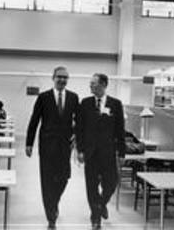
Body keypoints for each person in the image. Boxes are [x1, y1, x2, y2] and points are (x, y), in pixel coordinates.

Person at [25, 66, 79, 229]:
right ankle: (51, 217)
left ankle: (54, 201)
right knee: (47, 181)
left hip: (65, 145)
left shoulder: (73, 97)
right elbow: (34, 120)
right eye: (59, 77)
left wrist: (77, 134)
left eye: (65, 77)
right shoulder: (43, 97)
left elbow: (79, 120)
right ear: (53, 78)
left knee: (64, 178)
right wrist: (29, 143)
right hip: (47, 146)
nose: (62, 80)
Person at [76, 73, 125, 230]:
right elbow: (79, 129)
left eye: (94, 83)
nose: (90, 86)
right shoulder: (85, 103)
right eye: (90, 84)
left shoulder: (115, 104)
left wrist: (122, 153)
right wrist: (80, 150)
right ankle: (95, 218)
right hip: (90, 153)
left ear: (103, 85)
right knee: (91, 187)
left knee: (111, 183)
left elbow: (120, 130)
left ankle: (101, 204)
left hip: (108, 153)